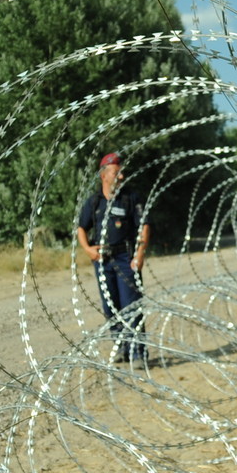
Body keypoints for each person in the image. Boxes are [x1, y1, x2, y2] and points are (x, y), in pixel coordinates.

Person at [76, 152, 151, 363]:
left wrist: (140, 253)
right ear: (104, 175)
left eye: (121, 172)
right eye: (116, 172)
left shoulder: (130, 198)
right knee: (111, 306)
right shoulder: (94, 202)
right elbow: (81, 228)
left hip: (125, 257)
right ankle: (120, 347)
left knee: (131, 305)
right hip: (102, 260)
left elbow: (144, 225)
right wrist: (87, 249)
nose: (121, 176)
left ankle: (137, 352)